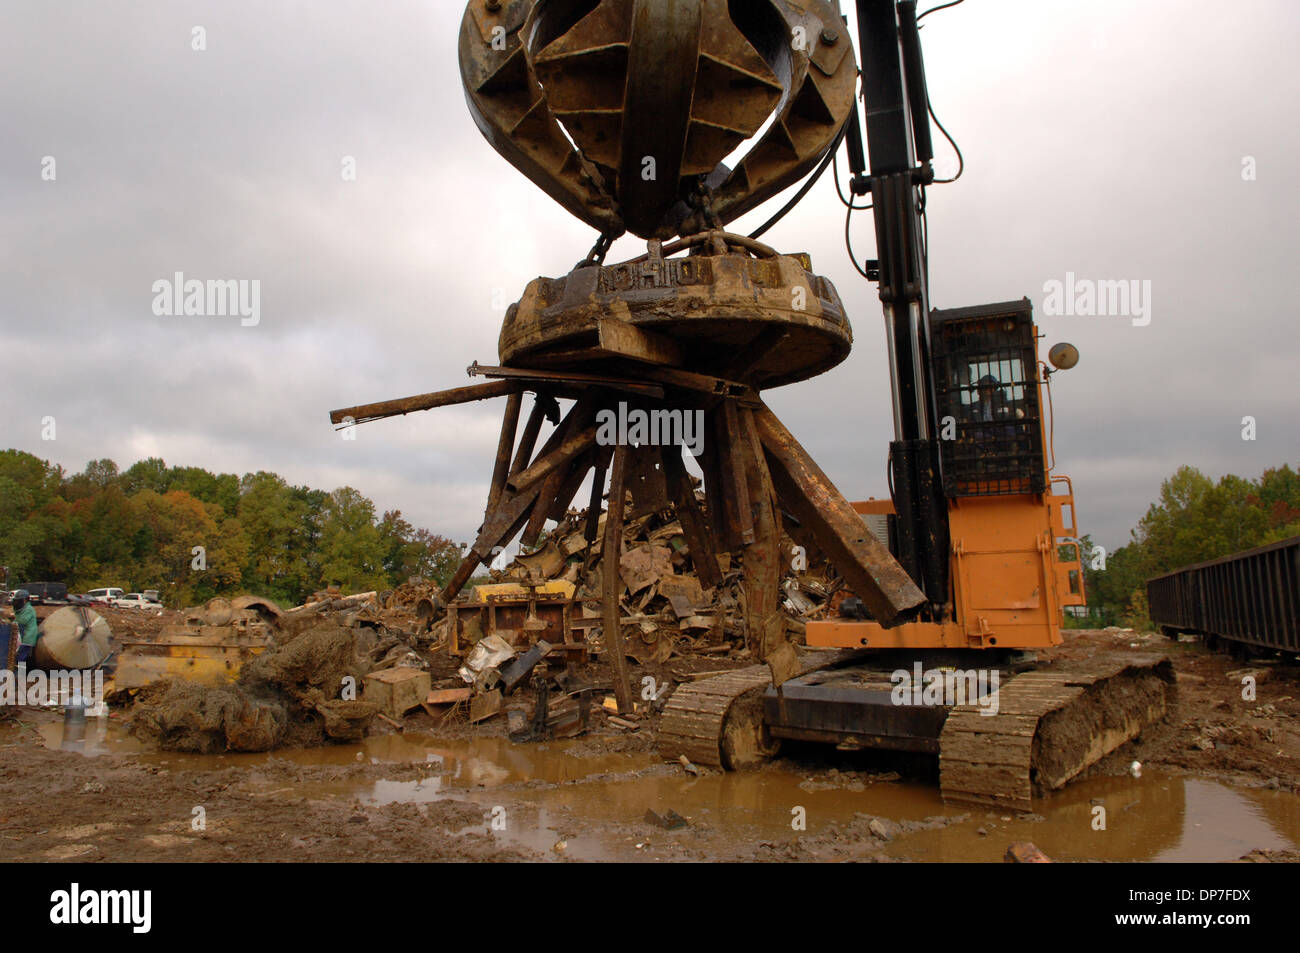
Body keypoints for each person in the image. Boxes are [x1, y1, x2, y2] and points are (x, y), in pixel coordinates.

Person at [10, 589, 39, 668]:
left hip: (27, 637)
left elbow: (22, 621)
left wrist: (11, 624)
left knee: (20, 657)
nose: (17, 603)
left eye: (19, 601)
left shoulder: (28, 609)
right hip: (22, 636)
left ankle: (20, 675)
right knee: (18, 656)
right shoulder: (22, 610)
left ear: (25, 600)